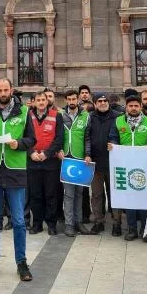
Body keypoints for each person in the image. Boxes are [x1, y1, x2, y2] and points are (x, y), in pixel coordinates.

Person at [0, 78, 36, 282]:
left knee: (18, 221)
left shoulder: (24, 112)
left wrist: (18, 143)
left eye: (6, 90)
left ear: (11, 90)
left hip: (15, 170)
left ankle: (22, 262)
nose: (3, 93)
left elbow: (32, 139)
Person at [108, 95, 147, 241]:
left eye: (136, 106)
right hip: (125, 164)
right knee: (129, 198)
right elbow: (113, 137)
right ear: (126, 107)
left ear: (140, 107)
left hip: (144, 165)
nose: (133, 108)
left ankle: (145, 230)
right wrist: (113, 145)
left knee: (144, 197)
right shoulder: (118, 121)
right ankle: (132, 229)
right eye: (131, 106)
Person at [27, 90, 64, 235]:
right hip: (33, 160)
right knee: (35, 194)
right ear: (34, 102)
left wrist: (46, 154)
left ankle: (51, 224)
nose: (41, 102)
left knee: (51, 194)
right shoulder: (28, 116)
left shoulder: (57, 116)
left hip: (51, 161)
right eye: (38, 100)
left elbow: (59, 139)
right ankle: (37, 224)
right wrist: (31, 152)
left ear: (47, 101)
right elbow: (23, 136)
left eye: (43, 100)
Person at [60, 90, 90, 237]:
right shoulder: (61, 115)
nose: (72, 101)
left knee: (79, 192)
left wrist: (88, 154)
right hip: (66, 158)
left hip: (80, 158)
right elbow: (58, 135)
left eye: (74, 99)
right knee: (69, 194)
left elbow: (88, 137)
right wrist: (59, 149)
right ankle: (69, 224)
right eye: (69, 99)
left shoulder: (86, 115)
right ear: (66, 100)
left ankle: (79, 222)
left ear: (78, 100)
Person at [87, 93, 118, 235]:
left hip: (113, 162)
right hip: (95, 161)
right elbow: (87, 137)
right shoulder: (90, 117)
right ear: (94, 103)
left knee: (115, 193)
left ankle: (117, 223)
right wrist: (87, 154)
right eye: (99, 101)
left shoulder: (117, 117)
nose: (103, 103)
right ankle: (98, 221)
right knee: (96, 194)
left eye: (105, 100)